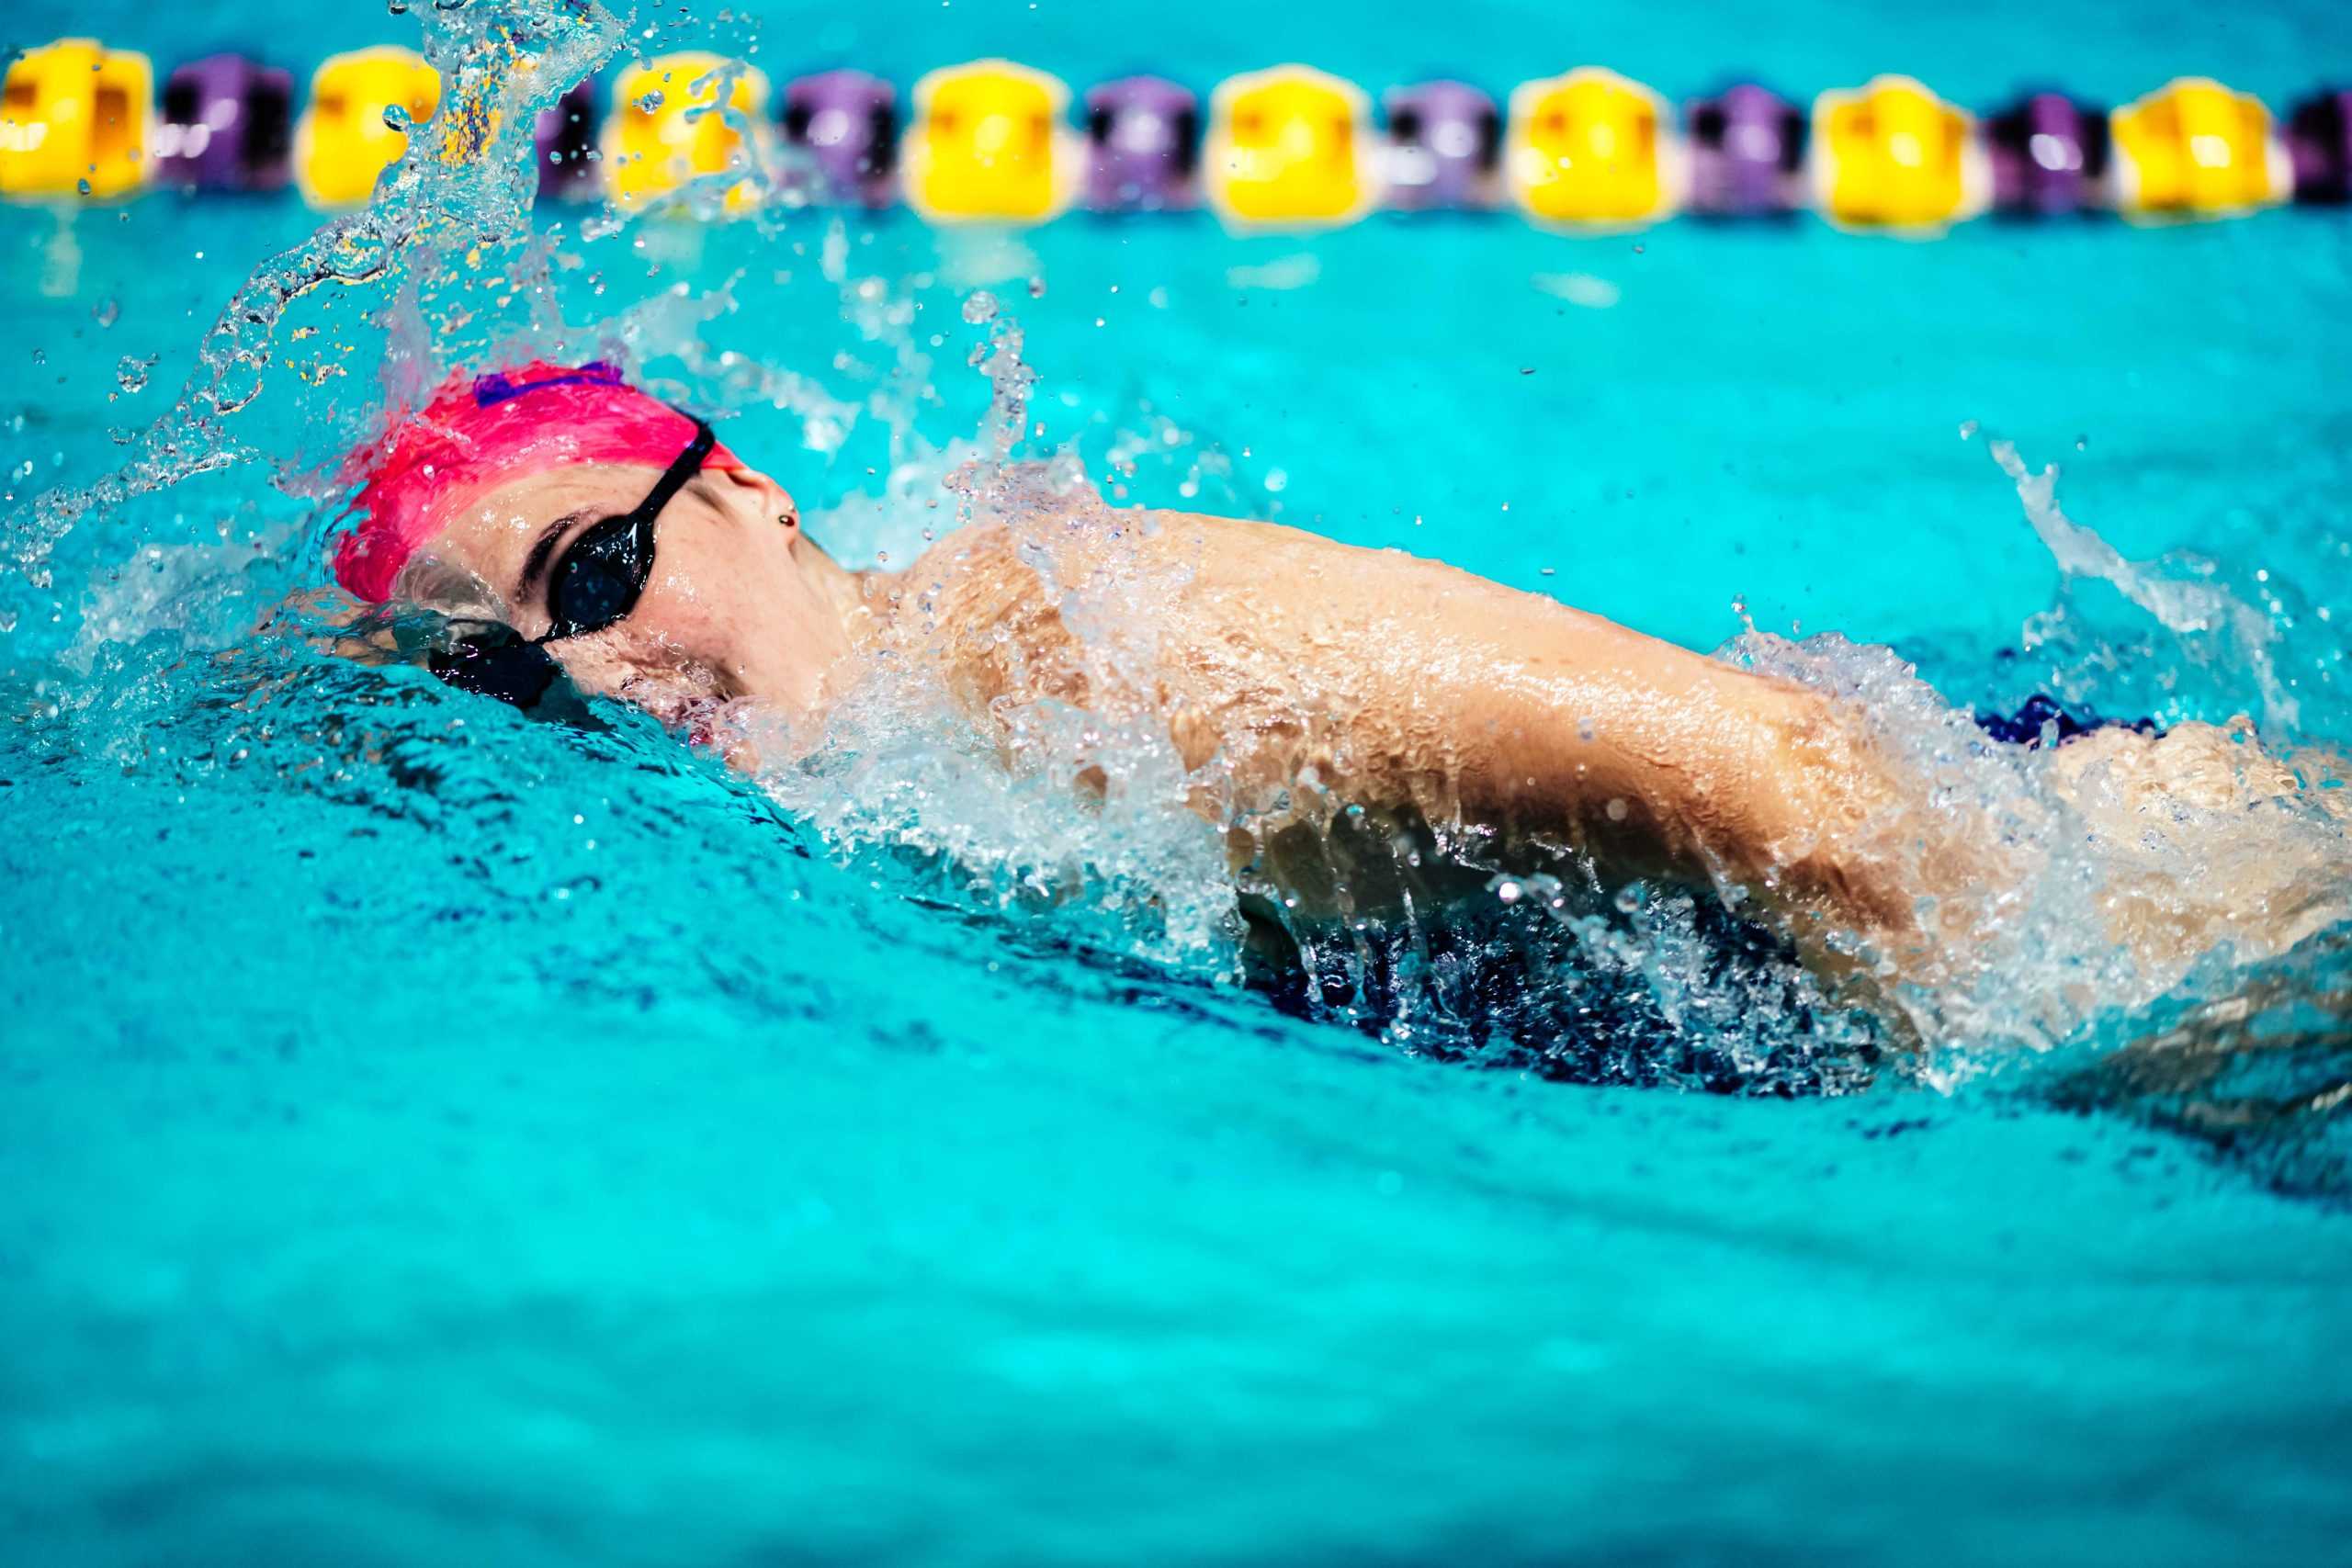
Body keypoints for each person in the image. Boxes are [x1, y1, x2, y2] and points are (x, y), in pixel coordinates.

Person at [333, 359, 2351, 1027]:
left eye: (593, 573)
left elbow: (1800, 789)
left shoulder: (1056, 659)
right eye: (517, 672)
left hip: (2154, 916)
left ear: (748, 492)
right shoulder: (895, 773)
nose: (588, 672)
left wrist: (2094, 1040)